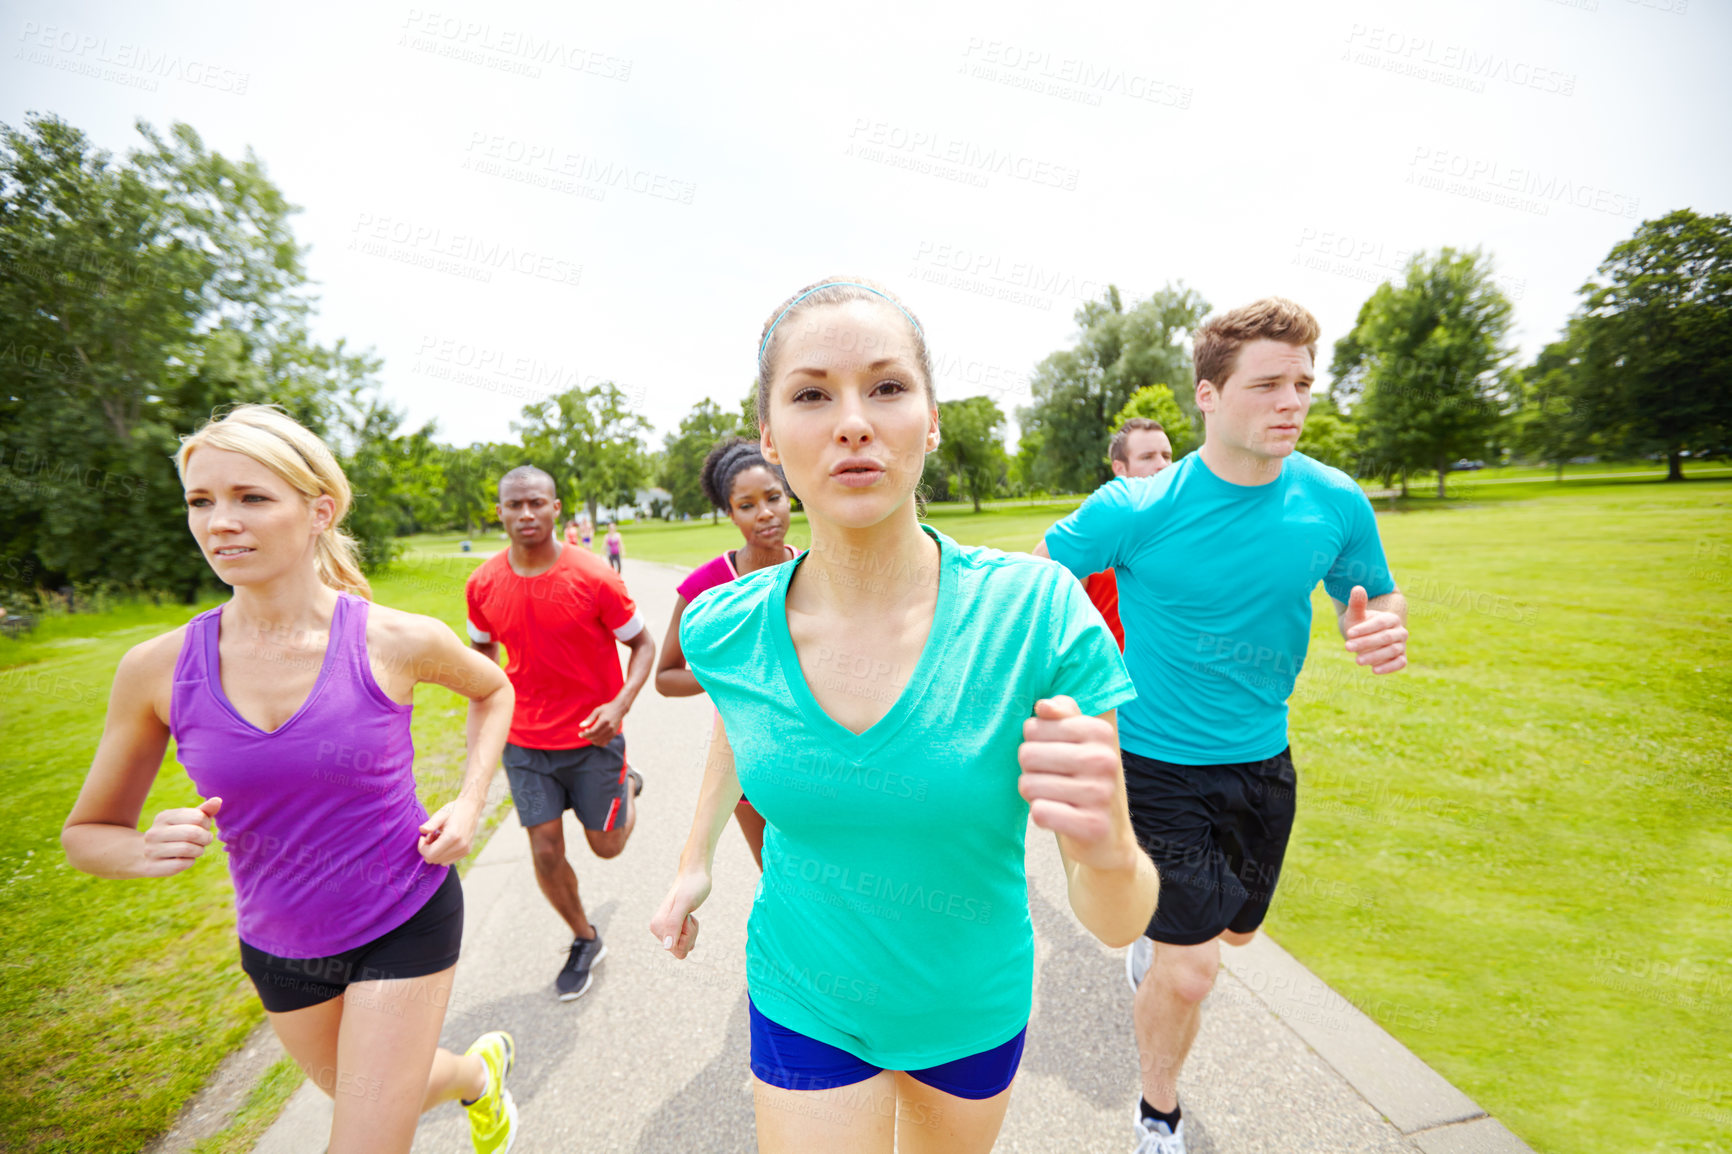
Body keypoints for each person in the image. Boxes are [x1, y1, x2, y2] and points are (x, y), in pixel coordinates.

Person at [650, 279, 1159, 1154]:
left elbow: (1116, 921)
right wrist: (693, 860)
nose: (853, 420)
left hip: (970, 1002)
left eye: (887, 387)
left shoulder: (1036, 615)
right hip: (803, 990)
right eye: (812, 394)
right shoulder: (723, 626)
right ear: (771, 438)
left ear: (930, 420)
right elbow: (739, 724)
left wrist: (1110, 843)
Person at [60, 405, 520, 1154]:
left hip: (404, 914)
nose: (219, 523)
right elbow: (86, 835)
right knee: (361, 1090)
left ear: (319, 511)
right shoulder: (155, 668)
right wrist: (140, 849)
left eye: (250, 498)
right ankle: (476, 1076)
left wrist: (470, 803)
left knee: (366, 1136)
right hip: (279, 945)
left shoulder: (393, 640)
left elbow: (492, 688)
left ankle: (465, 1079)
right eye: (200, 502)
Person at [1036, 298, 1410, 1154]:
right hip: (1157, 766)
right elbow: (1037, 580)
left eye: (1305, 384)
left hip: (1264, 766)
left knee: (1237, 931)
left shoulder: (1333, 499)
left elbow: (1373, 591)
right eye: (1269, 383)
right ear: (1207, 395)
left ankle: (1169, 942)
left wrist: (1379, 621)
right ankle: (1158, 1113)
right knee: (1193, 968)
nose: (1294, 402)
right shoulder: (1137, 507)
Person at [466, 466, 654, 1001]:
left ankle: (627, 785)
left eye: (536, 503)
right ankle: (583, 937)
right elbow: (482, 657)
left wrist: (619, 705)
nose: (526, 514)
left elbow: (643, 645)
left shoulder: (595, 576)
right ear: (500, 512)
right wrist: (483, 721)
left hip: (593, 738)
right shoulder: (482, 583)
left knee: (608, 847)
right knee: (545, 849)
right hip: (524, 742)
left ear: (555, 508)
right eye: (514, 505)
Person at [653, 436, 800, 869]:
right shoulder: (707, 584)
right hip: (743, 754)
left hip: (817, 749)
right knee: (774, 872)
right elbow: (665, 677)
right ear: (730, 513)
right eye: (747, 505)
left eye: (773, 497)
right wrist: (728, 673)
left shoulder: (815, 566)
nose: (766, 513)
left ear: (789, 496)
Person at [1082, 418, 1176, 651]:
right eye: (1147, 457)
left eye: (1166, 456)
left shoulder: (1185, 525)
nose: (1162, 465)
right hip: (1111, 678)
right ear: (1119, 468)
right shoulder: (1089, 529)